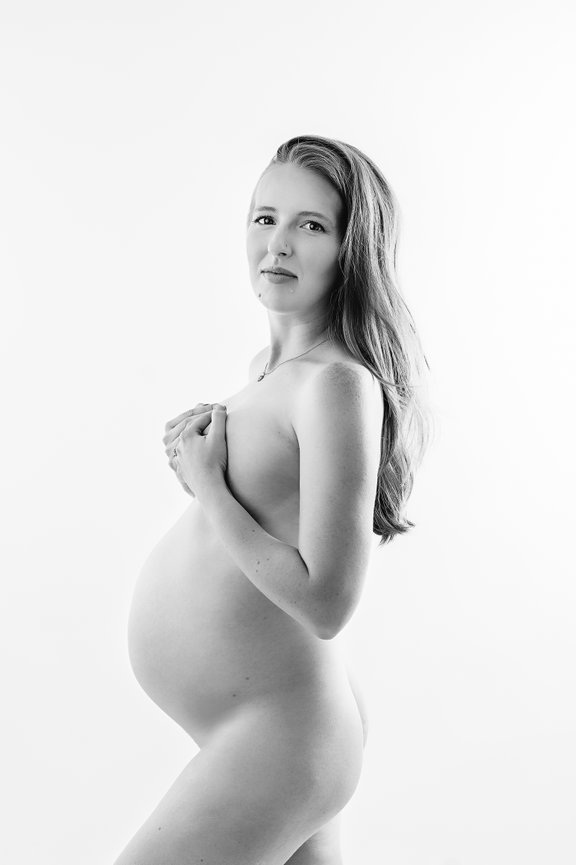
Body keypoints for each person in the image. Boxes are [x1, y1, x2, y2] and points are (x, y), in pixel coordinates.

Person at [114, 134, 431, 865]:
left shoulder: (338, 384)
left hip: (282, 730)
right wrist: (206, 461)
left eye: (310, 225)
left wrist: (210, 489)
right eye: (264, 218)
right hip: (269, 726)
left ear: (351, 247)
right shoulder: (266, 370)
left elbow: (328, 602)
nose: (277, 244)